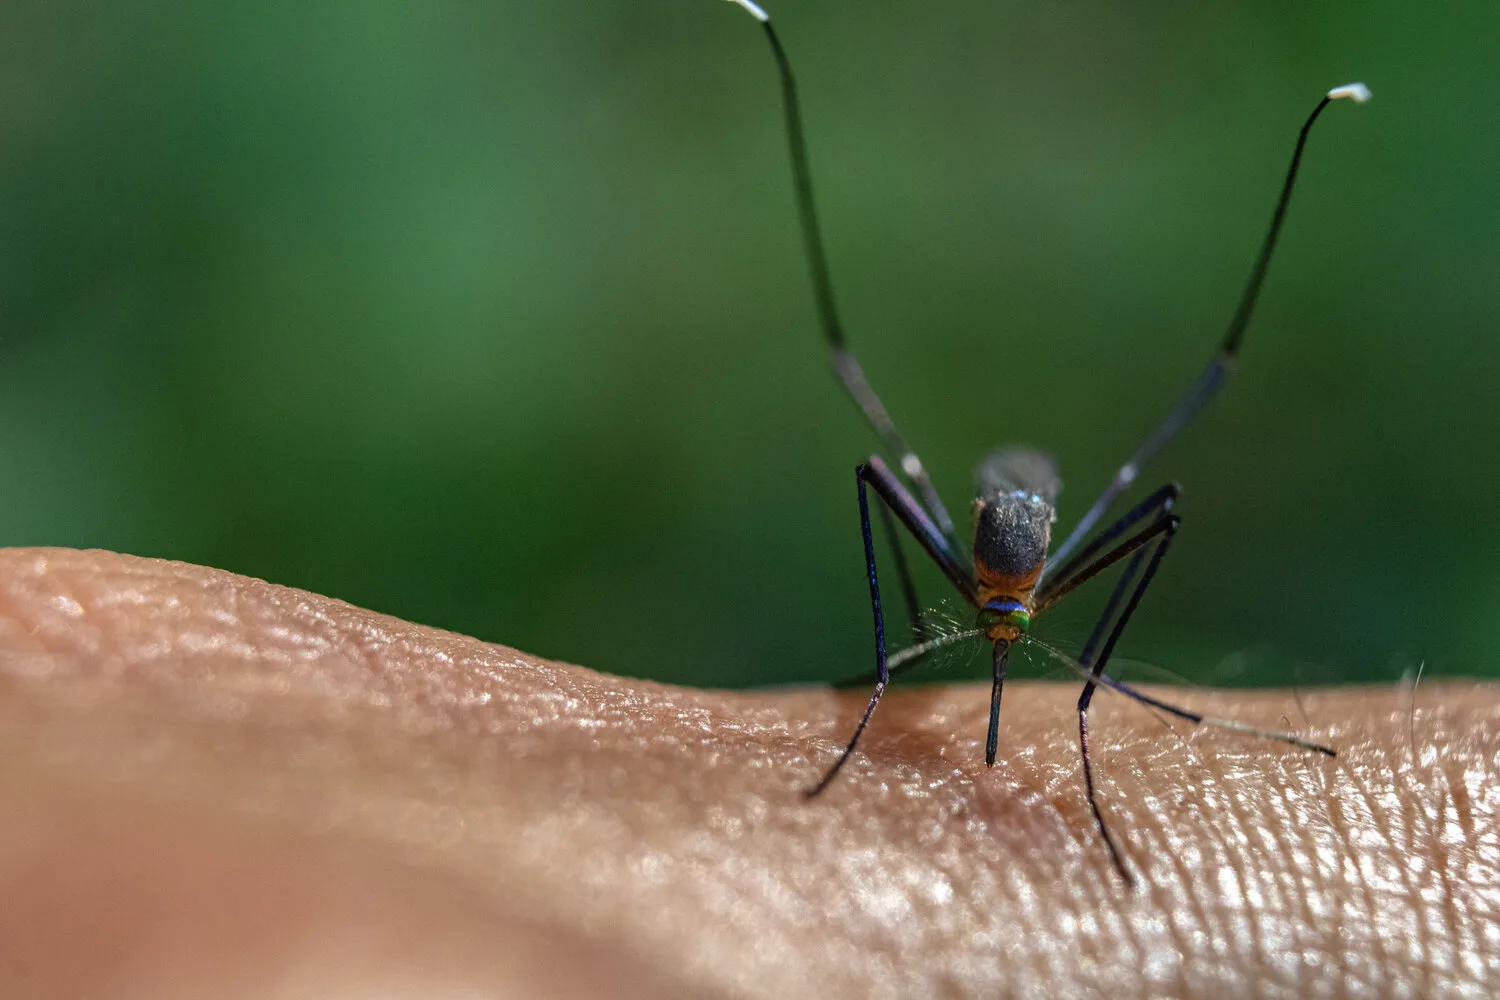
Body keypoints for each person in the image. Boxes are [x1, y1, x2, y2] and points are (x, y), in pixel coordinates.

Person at [0, 547, 1490, 997]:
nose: (996, 631)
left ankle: (1092, 711)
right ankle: (880, 699)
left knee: (1160, 484)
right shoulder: (970, 570)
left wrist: (1091, 708)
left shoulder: (1047, 581)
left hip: (1049, 582)